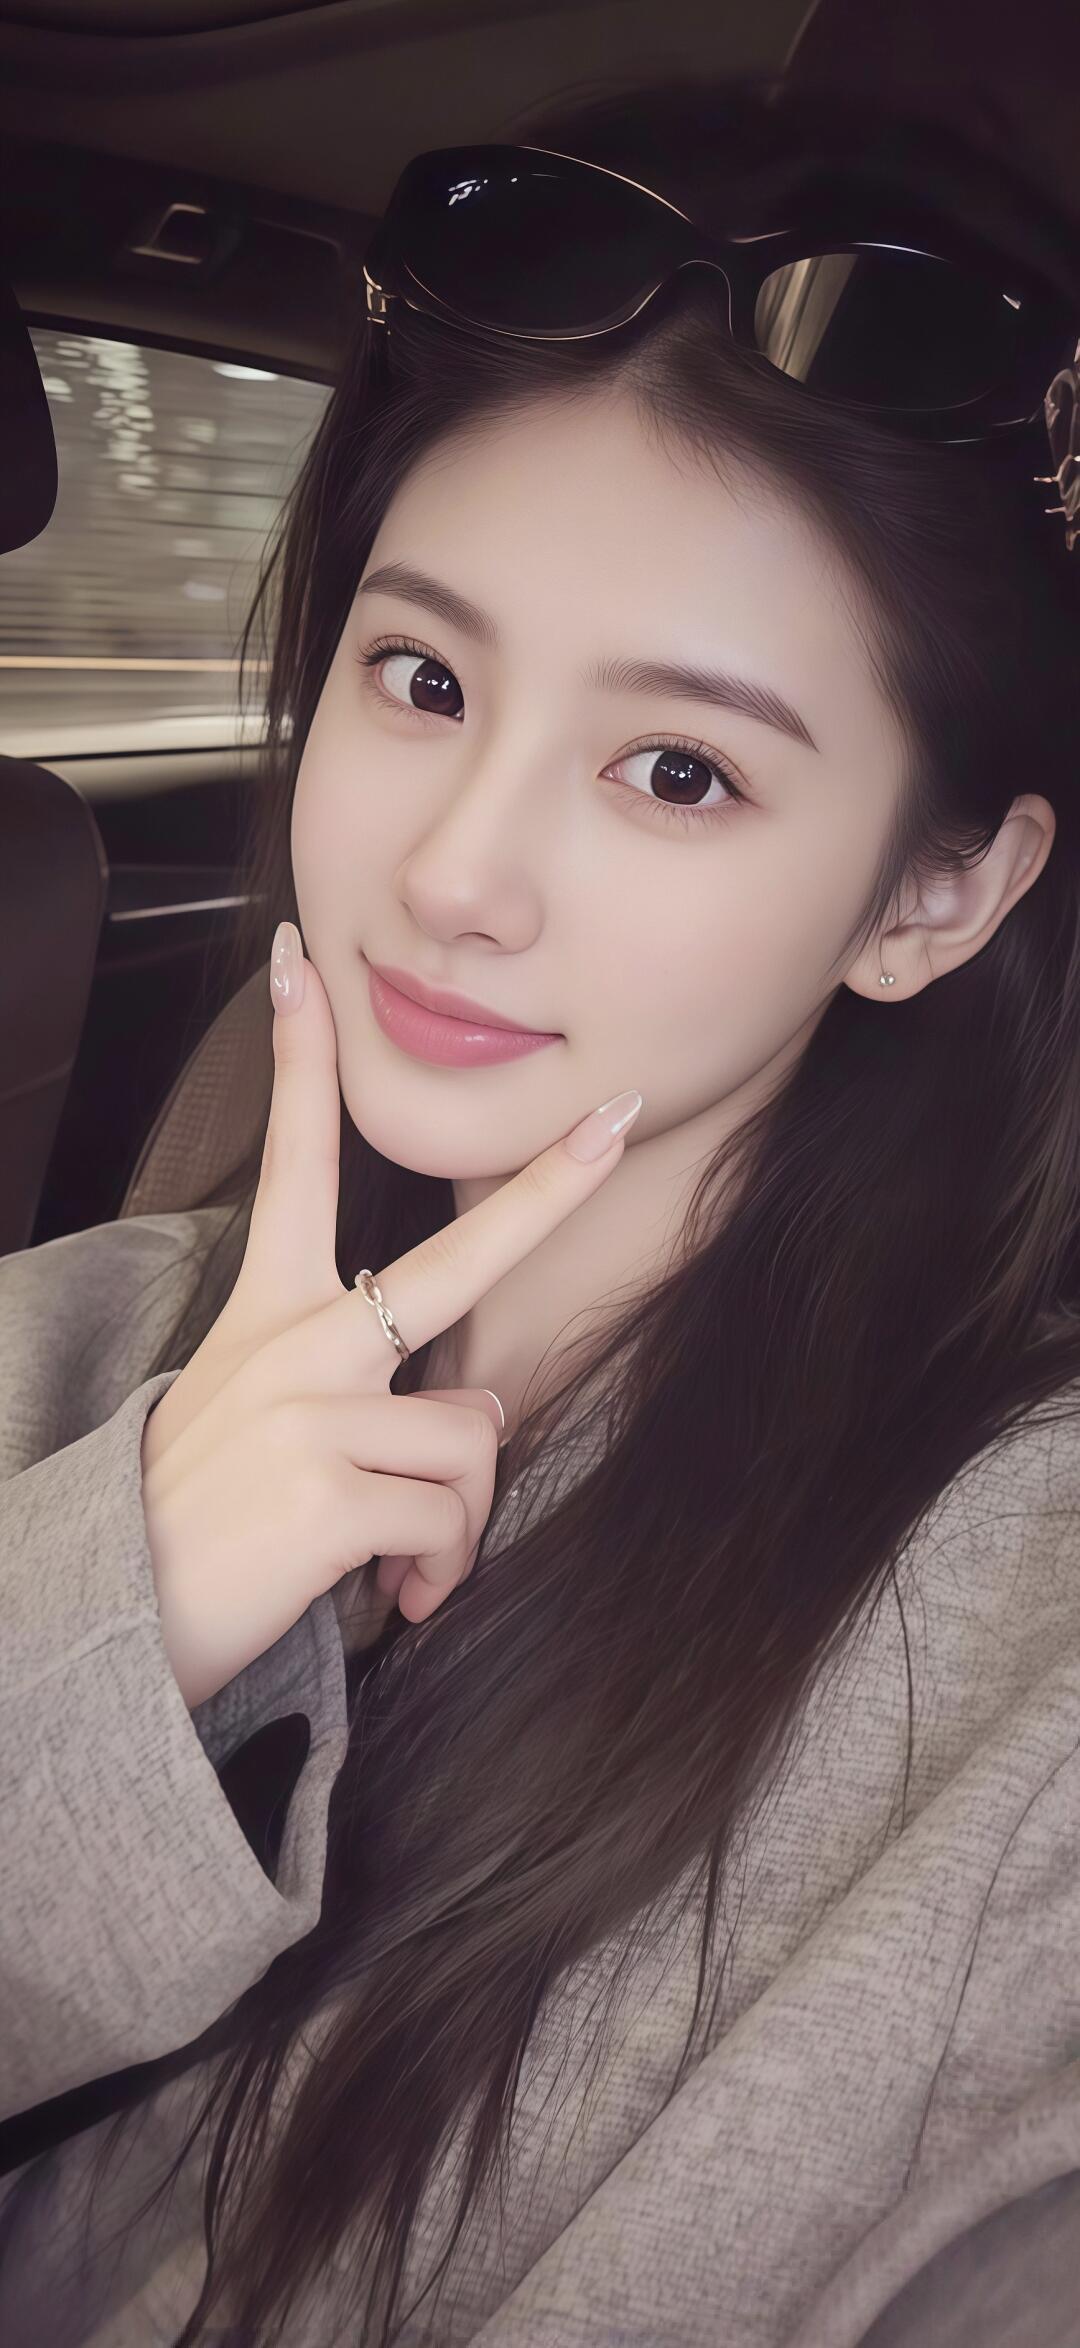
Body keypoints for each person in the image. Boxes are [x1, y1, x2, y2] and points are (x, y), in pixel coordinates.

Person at [3, 67, 1080, 2348]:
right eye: (422, 676)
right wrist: (118, 1612)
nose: (456, 871)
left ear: (933, 895)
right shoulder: (82, 1338)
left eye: (677, 770)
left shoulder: (1019, 1677)